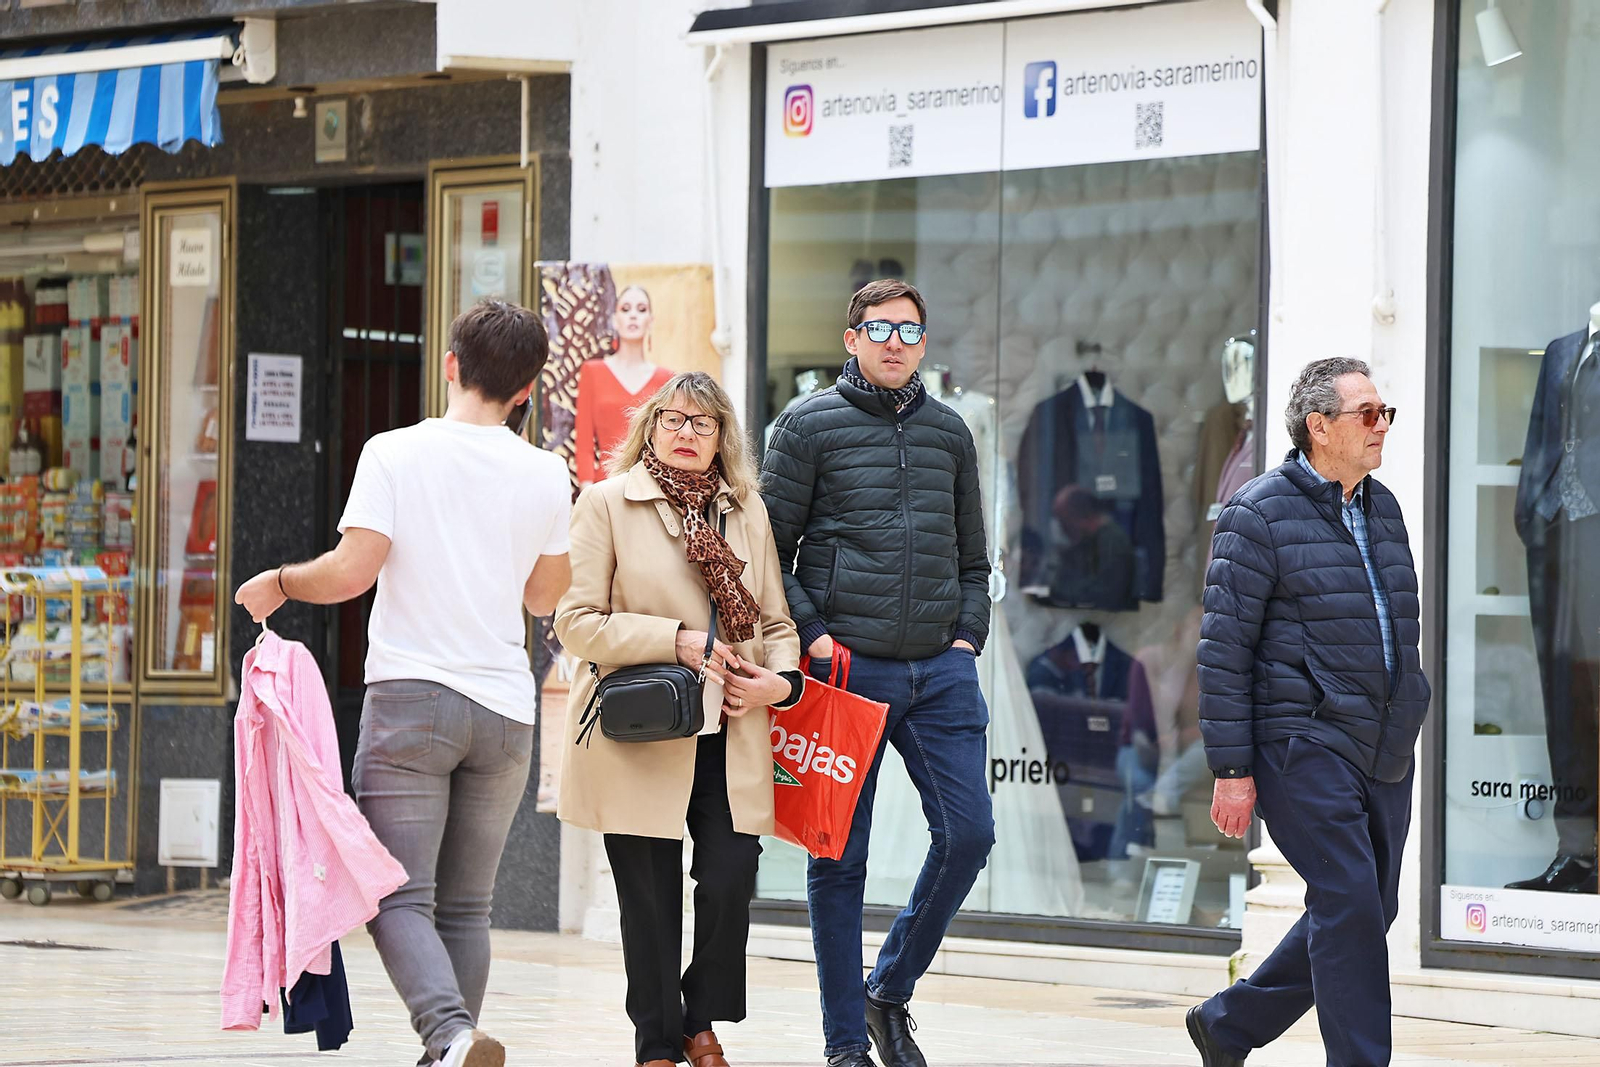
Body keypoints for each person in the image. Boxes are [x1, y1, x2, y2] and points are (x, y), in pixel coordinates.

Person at [235, 299, 573, 1067]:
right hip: (504, 712)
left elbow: (353, 571)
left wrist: (280, 580)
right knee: (467, 904)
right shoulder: (548, 472)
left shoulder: (394, 452)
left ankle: (449, 1034)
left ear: (450, 365)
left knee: (392, 891)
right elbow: (545, 597)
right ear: (526, 391)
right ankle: (452, 1050)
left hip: (411, 703)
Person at [762, 278, 994, 1067]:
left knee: (970, 834)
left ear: (924, 343)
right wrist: (817, 637)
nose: (896, 341)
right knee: (839, 859)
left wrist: (969, 635)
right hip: (847, 670)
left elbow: (973, 556)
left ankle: (886, 988)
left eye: (909, 329)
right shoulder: (805, 426)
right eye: (880, 328)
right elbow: (769, 554)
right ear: (851, 337)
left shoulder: (951, 433)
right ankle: (843, 1047)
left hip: (941, 669)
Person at [1185, 358, 1432, 1067]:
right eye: (1367, 413)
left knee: (1364, 906)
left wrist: (1410, 701)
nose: (1381, 424)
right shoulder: (1257, 511)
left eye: (1385, 412)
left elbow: (1396, 623)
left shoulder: (1383, 508)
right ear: (1319, 426)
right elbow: (1223, 649)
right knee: (1350, 901)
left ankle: (1229, 1024)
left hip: (1384, 741)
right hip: (1302, 739)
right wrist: (1232, 769)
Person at [556, 371, 803, 1067]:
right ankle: (659, 1043)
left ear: (723, 436)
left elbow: (777, 620)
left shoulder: (745, 509)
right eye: (673, 419)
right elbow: (575, 623)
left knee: (730, 874)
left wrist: (776, 683)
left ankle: (700, 1016)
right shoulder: (607, 502)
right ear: (651, 426)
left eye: (703, 423)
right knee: (649, 897)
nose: (687, 433)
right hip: (640, 729)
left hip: (732, 725)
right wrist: (676, 640)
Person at [574, 284, 675, 488]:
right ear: (614, 319)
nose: (633, 316)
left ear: (651, 321)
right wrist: (587, 491)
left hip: (651, 487)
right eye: (626, 309)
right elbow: (584, 443)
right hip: (604, 486)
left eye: (641, 309)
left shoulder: (667, 380)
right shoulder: (592, 372)